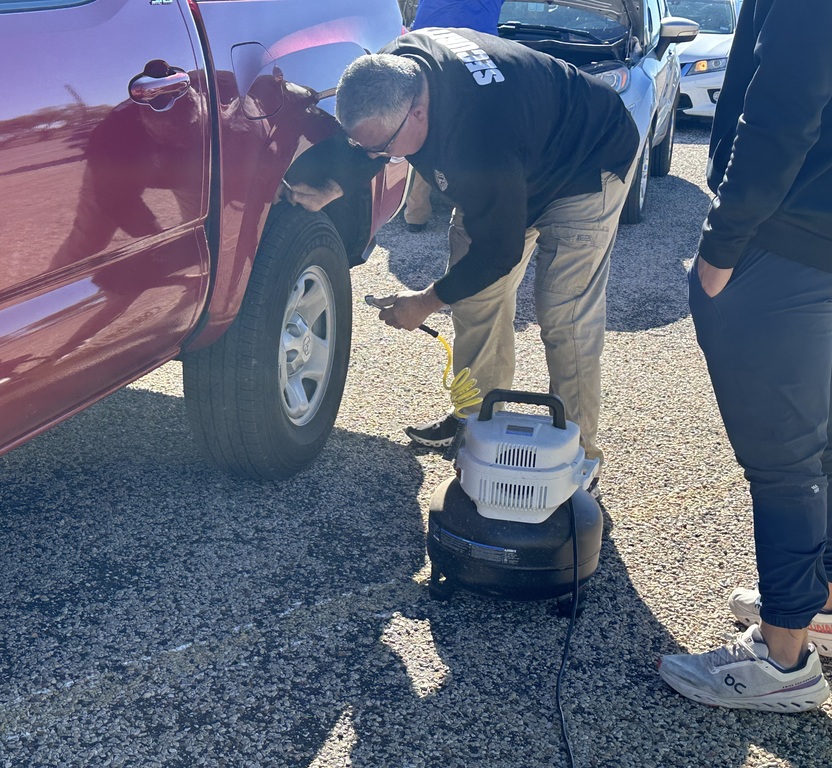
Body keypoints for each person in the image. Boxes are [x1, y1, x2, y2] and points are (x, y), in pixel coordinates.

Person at [283, 27, 638, 473]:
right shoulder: (395, 68)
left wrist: (424, 303)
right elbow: (370, 142)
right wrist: (332, 183)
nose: (377, 156)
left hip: (585, 160)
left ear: (417, 113)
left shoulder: (479, 133)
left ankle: (578, 457)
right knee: (475, 299)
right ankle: (475, 421)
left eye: (383, 148)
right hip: (514, 152)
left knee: (564, 316)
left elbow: (499, 251)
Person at [658, 0, 832, 711]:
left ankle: (784, 658)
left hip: (785, 239)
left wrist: (721, 246)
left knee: (785, 460)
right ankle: (813, 599)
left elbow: (785, 103)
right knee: (819, 447)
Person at [403, 0, 504, 233]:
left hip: (428, 49)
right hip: (477, 52)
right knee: (472, 132)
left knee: (427, 128)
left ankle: (415, 214)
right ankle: (468, 209)